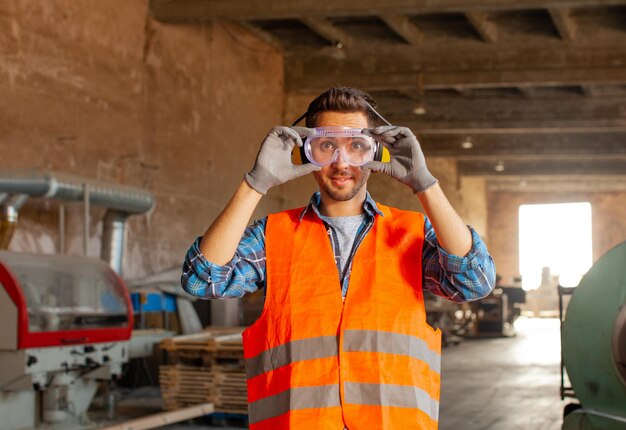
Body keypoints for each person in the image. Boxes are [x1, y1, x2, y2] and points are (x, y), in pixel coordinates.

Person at [181, 86, 496, 430]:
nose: (341, 162)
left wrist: (424, 184)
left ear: (375, 155)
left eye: (356, 146)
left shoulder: (412, 234)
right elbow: (202, 279)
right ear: (307, 152)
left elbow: (474, 281)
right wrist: (255, 184)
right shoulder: (272, 235)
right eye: (327, 146)